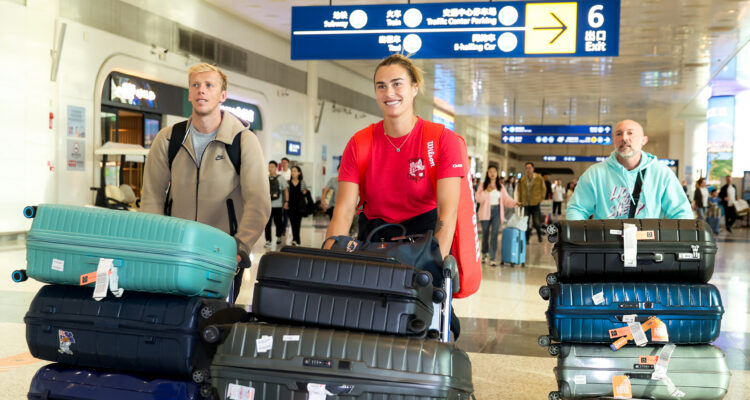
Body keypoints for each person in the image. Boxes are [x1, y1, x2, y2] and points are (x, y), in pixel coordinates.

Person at [142, 63, 270, 299]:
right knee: (174, 317)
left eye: (209, 85)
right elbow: (152, 195)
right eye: (196, 85)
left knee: (215, 320)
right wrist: (156, 241)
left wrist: (241, 246)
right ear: (189, 93)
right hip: (177, 249)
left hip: (224, 251)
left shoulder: (243, 141)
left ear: (222, 95)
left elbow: (258, 201)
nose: (201, 90)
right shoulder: (169, 139)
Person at [324, 53, 466, 261]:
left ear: (414, 88)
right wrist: (327, 259)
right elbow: (344, 212)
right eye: (381, 86)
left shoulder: (442, 140)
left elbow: (447, 214)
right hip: (373, 245)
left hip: (423, 246)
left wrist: (433, 265)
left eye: (397, 84)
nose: (389, 93)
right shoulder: (359, 143)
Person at [566, 119, 693, 220]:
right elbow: (577, 209)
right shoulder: (595, 174)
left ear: (644, 140)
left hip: (649, 248)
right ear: (613, 141)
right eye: (619, 134)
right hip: (606, 248)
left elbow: (681, 213)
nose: (624, 138)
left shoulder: (662, 174)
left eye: (630, 133)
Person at [475, 166, 519, 266]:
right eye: (490, 171)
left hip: (497, 212)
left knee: (494, 235)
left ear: (497, 173)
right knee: (485, 234)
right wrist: (487, 191)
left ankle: (492, 257)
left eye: (494, 171)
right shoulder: (483, 185)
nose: (492, 173)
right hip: (485, 212)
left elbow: (506, 200)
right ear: (487, 173)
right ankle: (484, 253)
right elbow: (478, 198)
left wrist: (515, 203)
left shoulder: (500, 186)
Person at [517, 162, 546, 243]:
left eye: (529, 168)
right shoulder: (523, 179)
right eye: (526, 168)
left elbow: (543, 189)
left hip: (535, 203)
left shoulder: (539, 178)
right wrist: (520, 201)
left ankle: (539, 235)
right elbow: (520, 191)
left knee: (536, 222)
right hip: (525, 204)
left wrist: (540, 199)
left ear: (533, 168)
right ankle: (527, 239)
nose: (528, 170)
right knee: (526, 222)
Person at [264, 160, 289, 247]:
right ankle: (268, 240)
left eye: (272, 167)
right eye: (269, 166)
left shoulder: (280, 178)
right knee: (267, 223)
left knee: (278, 222)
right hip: (267, 205)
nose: (270, 168)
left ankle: (278, 236)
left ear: (276, 168)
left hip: (278, 205)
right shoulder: (265, 178)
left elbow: (285, 189)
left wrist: (286, 201)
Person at [287, 165, 308, 246]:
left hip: (299, 207)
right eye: (292, 171)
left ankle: (297, 240)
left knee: (298, 223)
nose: (293, 173)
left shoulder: (302, 182)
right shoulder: (288, 183)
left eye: (295, 171)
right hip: (291, 206)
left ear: (299, 173)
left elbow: (305, 193)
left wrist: (305, 192)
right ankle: (295, 239)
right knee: (292, 223)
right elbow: (286, 194)